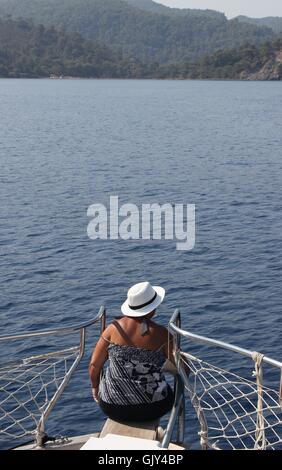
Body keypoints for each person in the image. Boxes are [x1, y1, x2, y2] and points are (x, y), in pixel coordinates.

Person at [89, 281, 175, 422]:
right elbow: (182, 366)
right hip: (154, 407)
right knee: (169, 390)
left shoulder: (113, 329)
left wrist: (94, 387)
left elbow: (94, 365)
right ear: (152, 308)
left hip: (112, 407)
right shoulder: (162, 333)